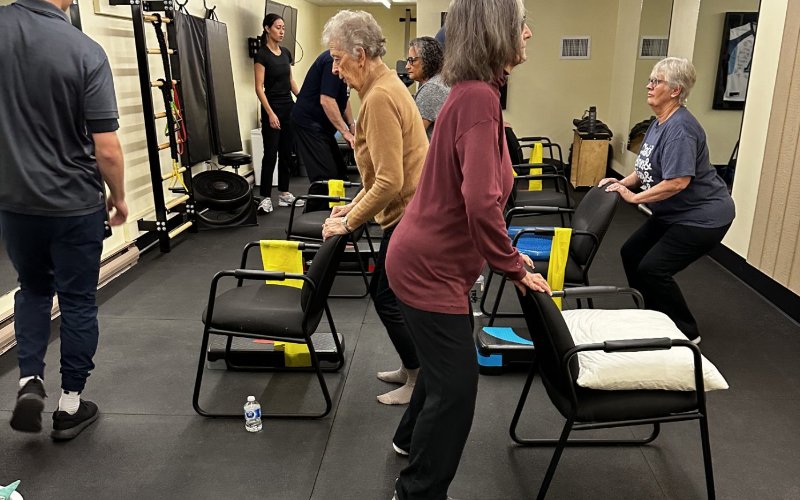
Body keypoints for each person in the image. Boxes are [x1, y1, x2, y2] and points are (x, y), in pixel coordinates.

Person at [384, 1, 548, 498]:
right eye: (521, 25)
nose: (529, 34)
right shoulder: (477, 99)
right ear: (498, 32)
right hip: (427, 269)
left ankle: (408, 439)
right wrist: (513, 267)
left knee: (442, 374)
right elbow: (480, 203)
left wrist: (504, 258)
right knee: (457, 391)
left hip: (428, 260)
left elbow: (477, 193)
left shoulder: (473, 94)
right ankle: (416, 493)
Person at [0, 0, 127, 440]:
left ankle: (28, 379)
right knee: (76, 301)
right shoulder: (84, 49)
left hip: (16, 203)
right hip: (74, 204)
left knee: (32, 288)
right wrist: (120, 198)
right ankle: (70, 404)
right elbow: (107, 149)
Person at [320, 10, 428, 406]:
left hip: (409, 217)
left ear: (360, 54)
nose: (335, 69)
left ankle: (418, 378)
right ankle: (412, 367)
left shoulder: (380, 98)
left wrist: (349, 221)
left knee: (387, 297)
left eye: (337, 58)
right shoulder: (384, 87)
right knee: (393, 297)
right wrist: (350, 207)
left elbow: (389, 182)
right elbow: (381, 178)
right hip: (408, 213)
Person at [599, 57, 735, 344]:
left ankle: (686, 332)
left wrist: (634, 197)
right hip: (674, 213)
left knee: (653, 269)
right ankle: (653, 317)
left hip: (703, 217)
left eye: (656, 81)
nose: (648, 86)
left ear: (675, 90)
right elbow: (645, 166)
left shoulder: (681, 129)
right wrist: (621, 182)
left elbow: (677, 181)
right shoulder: (660, 122)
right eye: (650, 80)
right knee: (631, 253)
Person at [291, 50, 355, 213]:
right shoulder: (331, 61)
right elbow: (327, 100)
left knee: (340, 173)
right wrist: (344, 132)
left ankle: (334, 216)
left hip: (323, 126)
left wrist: (351, 126)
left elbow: (344, 98)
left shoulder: (347, 60)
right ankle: (309, 225)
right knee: (325, 177)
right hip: (308, 123)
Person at [254, 13, 301, 214]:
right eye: (278, 27)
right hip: (271, 108)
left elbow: (290, 81)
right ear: (267, 28)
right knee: (270, 154)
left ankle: (284, 193)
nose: (282, 31)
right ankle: (265, 197)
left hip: (288, 107)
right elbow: (258, 87)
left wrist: (303, 98)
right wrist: (271, 114)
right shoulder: (262, 55)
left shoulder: (286, 53)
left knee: (286, 154)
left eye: (283, 28)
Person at [405, 36, 449, 139]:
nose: (407, 66)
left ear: (427, 60)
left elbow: (411, 137)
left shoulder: (432, 89)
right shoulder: (440, 81)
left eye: (412, 60)